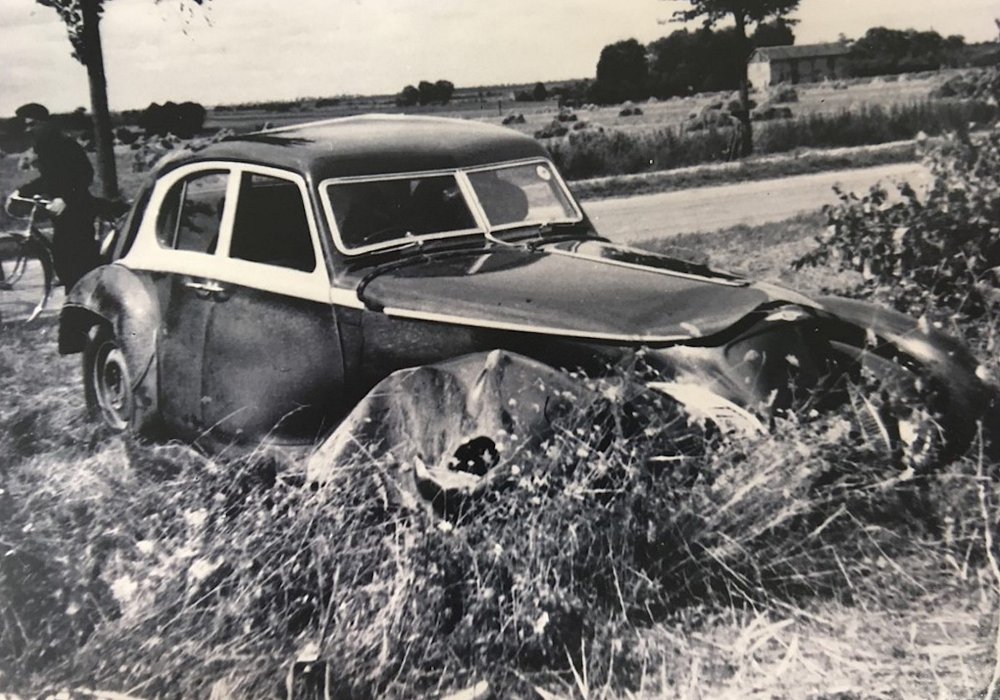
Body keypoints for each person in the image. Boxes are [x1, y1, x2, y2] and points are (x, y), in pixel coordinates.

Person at [12, 102, 101, 290]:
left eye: (32, 124)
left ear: (45, 123)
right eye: (27, 125)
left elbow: (85, 174)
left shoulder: (64, 144)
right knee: (64, 259)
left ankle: (86, 306)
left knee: (78, 261)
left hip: (77, 207)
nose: (29, 129)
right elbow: (50, 178)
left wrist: (64, 198)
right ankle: (76, 298)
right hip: (62, 211)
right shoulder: (45, 146)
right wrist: (21, 191)